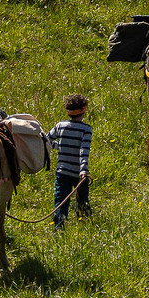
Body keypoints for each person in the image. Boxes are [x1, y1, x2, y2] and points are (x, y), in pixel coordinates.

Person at [47, 93, 92, 228]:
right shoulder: (86, 129)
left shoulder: (60, 125)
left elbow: (46, 140)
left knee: (60, 200)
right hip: (79, 174)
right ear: (84, 109)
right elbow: (83, 151)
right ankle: (85, 224)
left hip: (62, 172)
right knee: (82, 200)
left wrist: (58, 147)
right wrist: (83, 170)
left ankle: (58, 226)